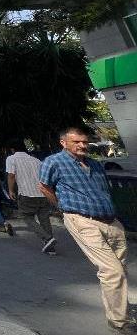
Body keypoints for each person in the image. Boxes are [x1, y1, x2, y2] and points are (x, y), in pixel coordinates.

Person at [40, 127, 134, 333]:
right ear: (63, 143)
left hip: (111, 221)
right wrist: (62, 208)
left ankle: (117, 310)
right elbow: (44, 187)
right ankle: (119, 322)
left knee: (118, 270)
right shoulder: (54, 162)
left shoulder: (94, 164)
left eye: (84, 142)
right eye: (77, 142)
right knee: (112, 271)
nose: (82, 145)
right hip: (82, 220)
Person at [6, 141, 56, 255]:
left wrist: (10, 190)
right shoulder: (36, 160)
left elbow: (11, 175)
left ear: (13, 149)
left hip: (26, 194)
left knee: (26, 217)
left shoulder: (11, 159)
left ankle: (47, 239)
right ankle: (50, 247)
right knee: (44, 219)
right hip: (42, 194)